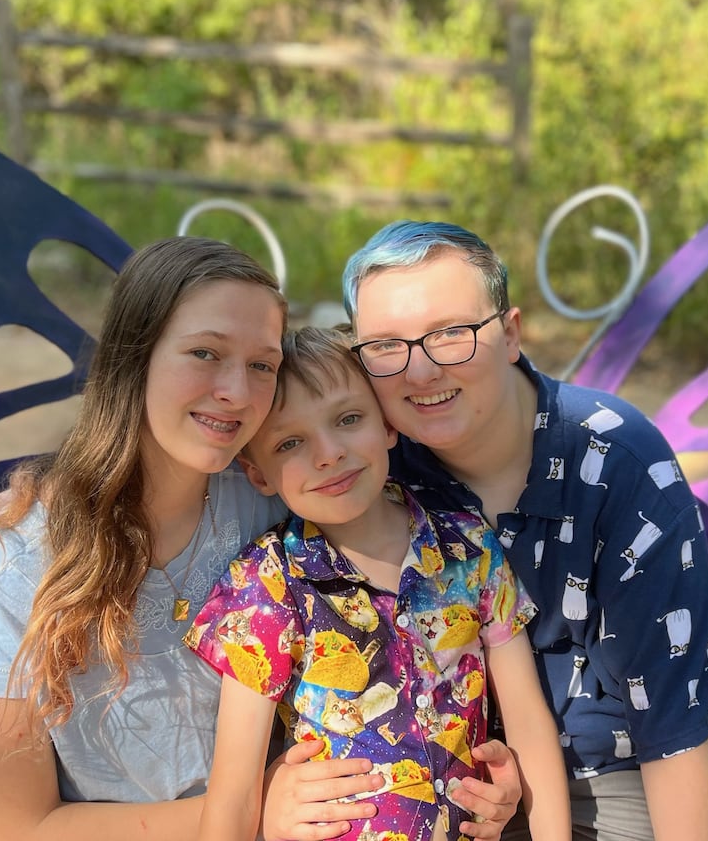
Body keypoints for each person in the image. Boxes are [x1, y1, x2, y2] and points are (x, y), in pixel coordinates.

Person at [0, 235, 521, 841]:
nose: (239, 393)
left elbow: (388, 456)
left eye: (262, 365)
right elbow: (22, 827)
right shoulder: (17, 564)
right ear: (132, 357)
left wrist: (491, 778)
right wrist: (252, 810)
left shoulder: (274, 495)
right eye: (203, 353)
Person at [341, 221, 708, 841]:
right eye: (386, 346)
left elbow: (670, 728)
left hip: (623, 774)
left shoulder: (615, 460)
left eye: (450, 334)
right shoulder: (366, 468)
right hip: (446, 786)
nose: (421, 371)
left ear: (511, 333)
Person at [187, 326, 570, 841]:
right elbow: (233, 796)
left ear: (388, 424)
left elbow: (527, 719)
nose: (328, 453)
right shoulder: (266, 583)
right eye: (290, 441)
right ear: (259, 475)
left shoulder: (469, 548)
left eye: (348, 419)